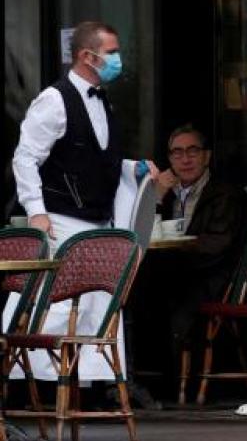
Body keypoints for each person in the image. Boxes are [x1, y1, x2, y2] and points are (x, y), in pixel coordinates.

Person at [7, 20, 157, 383]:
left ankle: (83, 381)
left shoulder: (103, 101)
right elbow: (24, 157)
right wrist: (37, 212)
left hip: (97, 220)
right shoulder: (54, 100)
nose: (118, 59)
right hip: (61, 218)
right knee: (54, 300)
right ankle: (30, 378)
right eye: (112, 53)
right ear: (88, 56)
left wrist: (132, 167)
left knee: (98, 300)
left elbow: (93, 156)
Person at [140, 124, 247, 378]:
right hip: (172, 268)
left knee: (160, 289)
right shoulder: (165, 192)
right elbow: (145, 231)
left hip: (212, 275)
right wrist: (156, 197)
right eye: (176, 153)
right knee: (138, 286)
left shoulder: (225, 194)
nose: (185, 159)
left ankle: (171, 377)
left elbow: (218, 245)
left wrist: (180, 251)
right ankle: (145, 374)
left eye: (192, 151)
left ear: (206, 156)